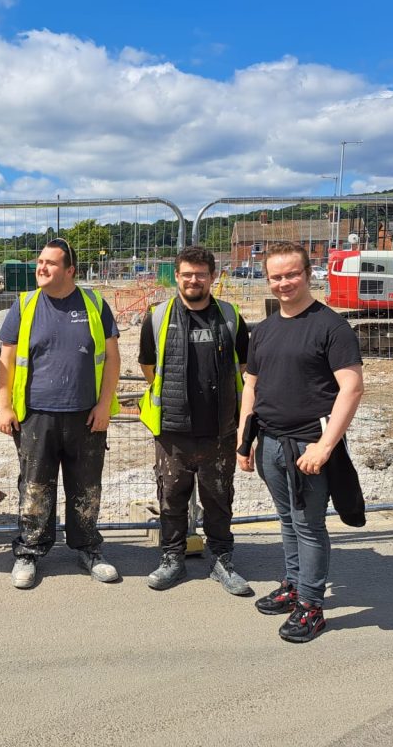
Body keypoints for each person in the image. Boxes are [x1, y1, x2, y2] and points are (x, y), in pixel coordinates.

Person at [237, 242, 364, 643]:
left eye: (291, 274)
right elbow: (251, 387)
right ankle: (294, 583)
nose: (284, 283)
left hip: (308, 448)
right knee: (288, 521)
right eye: (276, 276)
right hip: (271, 444)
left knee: (308, 526)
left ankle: (311, 605)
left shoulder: (332, 327)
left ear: (309, 274)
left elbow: (352, 388)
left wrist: (325, 446)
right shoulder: (266, 330)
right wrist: (244, 442)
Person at [0, 237, 121, 589]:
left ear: (70, 270)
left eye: (50, 263)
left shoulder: (94, 304)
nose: (41, 267)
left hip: (86, 416)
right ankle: (29, 552)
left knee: (86, 488)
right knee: (35, 488)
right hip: (36, 416)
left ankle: (88, 549)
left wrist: (103, 405)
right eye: (40, 261)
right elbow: (5, 360)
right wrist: (5, 407)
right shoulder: (24, 305)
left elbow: (113, 358)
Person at [138, 245, 251, 594]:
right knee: (171, 497)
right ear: (177, 276)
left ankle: (221, 559)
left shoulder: (231, 318)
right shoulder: (158, 317)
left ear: (212, 277)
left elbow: (245, 370)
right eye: (187, 273)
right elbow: (147, 367)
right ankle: (172, 558)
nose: (193, 280)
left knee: (219, 498)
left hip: (219, 431)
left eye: (201, 274)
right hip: (172, 431)